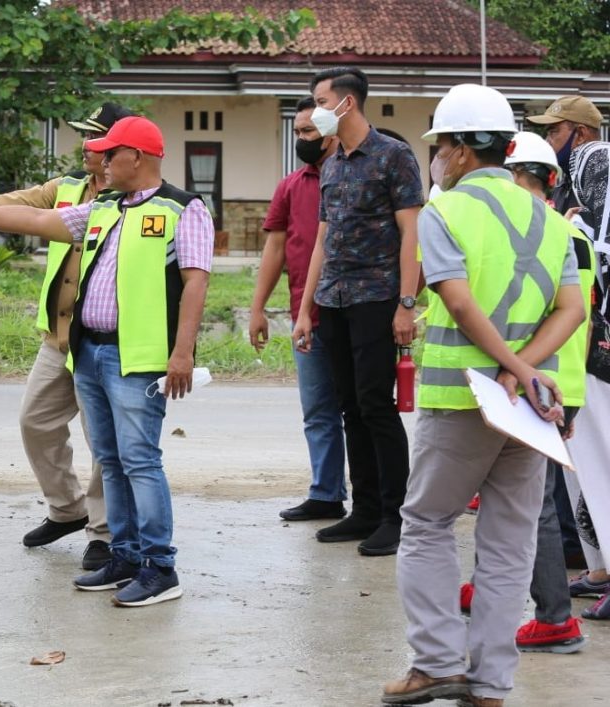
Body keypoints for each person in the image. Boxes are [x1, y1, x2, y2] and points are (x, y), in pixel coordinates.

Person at [0, 116, 214, 607]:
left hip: (137, 358)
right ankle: (123, 556)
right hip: (89, 350)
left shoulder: (183, 209)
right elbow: (37, 221)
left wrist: (181, 353)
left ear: (135, 157)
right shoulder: (103, 207)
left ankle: (160, 567)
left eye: (108, 152)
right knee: (113, 461)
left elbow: (196, 282)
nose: (98, 159)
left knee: (140, 462)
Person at [382, 84, 585, 707]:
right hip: (528, 409)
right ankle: (492, 683)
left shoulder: (445, 210)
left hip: (463, 400)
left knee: (424, 524)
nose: (436, 156)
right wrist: (525, 370)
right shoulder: (550, 222)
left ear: (466, 149)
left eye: (440, 144)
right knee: (508, 544)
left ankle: (438, 661)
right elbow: (573, 309)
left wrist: (507, 368)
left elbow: (459, 300)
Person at [0, 102, 136, 570]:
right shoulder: (68, 188)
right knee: (36, 422)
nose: (85, 147)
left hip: (104, 340)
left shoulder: (133, 198)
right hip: (58, 335)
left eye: (93, 139)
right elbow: (17, 204)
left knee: (103, 443)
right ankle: (68, 509)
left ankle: (103, 532)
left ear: (117, 146)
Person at [459, 130, 593, 654]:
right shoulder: (561, 232)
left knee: (529, 503)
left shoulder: (546, 234)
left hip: (542, 380)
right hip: (554, 378)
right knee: (504, 492)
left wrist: (517, 372)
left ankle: (556, 617)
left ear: (514, 177)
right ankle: (491, 585)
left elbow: (559, 315)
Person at [292, 66, 423, 556]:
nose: (315, 109)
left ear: (346, 103)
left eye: (321, 100)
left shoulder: (394, 156)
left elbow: (412, 232)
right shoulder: (332, 164)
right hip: (335, 299)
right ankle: (364, 510)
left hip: (377, 298)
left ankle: (396, 514)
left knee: (376, 406)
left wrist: (407, 304)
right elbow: (323, 240)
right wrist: (306, 309)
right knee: (349, 407)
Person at [249, 96, 346, 522]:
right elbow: (275, 250)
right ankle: (326, 494)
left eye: (309, 132)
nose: (302, 140)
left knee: (363, 411)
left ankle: (378, 499)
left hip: (357, 313)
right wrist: (258, 309)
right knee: (318, 411)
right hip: (305, 316)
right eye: (298, 133)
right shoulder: (291, 186)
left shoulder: (356, 178)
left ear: (330, 133)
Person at [526, 95, 604, 567]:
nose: (550, 141)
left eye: (555, 132)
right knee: (570, 474)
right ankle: (585, 555)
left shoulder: (595, 185)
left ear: (580, 133)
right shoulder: (567, 196)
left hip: (582, 356)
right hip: (569, 360)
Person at [564, 140, 610, 621]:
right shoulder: (584, 230)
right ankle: (599, 569)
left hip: (599, 363)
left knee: (601, 467)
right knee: (586, 471)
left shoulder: (583, 234)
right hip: (589, 363)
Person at [526, 95, 604, 214]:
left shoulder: (603, 188)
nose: (547, 141)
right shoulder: (562, 188)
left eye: (553, 131)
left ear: (581, 134)